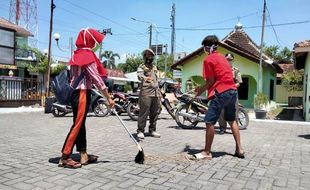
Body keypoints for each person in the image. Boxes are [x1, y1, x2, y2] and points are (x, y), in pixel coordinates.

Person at [58, 28, 115, 169]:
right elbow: (97, 80)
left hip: (77, 92)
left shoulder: (77, 54)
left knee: (80, 123)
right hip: (82, 93)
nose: (97, 44)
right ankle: (65, 157)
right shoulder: (88, 56)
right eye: (96, 41)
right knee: (77, 124)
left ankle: (83, 155)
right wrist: (109, 98)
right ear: (90, 41)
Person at [194, 35, 244, 160]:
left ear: (207, 47)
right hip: (232, 91)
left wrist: (200, 89)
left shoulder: (208, 59)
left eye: (204, 48)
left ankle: (206, 152)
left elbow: (211, 81)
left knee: (209, 121)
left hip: (221, 92)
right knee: (232, 120)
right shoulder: (223, 57)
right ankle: (239, 149)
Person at [136, 48, 161, 140]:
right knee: (144, 112)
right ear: (144, 56)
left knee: (155, 112)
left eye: (151, 55)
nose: (149, 57)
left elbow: (157, 79)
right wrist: (144, 78)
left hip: (156, 93)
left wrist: (160, 92)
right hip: (146, 92)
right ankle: (140, 130)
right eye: (147, 55)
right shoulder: (141, 66)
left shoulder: (154, 67)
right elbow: (139, 75)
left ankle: (152, 130)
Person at [218, 53, 243, 134]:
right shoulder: (220, 69)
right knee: (221, 111)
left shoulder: (236, 70)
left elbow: (239, 83)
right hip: (222, 93)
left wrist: (230, 87)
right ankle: (222, 128)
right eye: (227, 59)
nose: (228, 61)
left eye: (230, 59)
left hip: (232, 93)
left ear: (233, 60)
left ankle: (234, 128)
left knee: (234, 111)